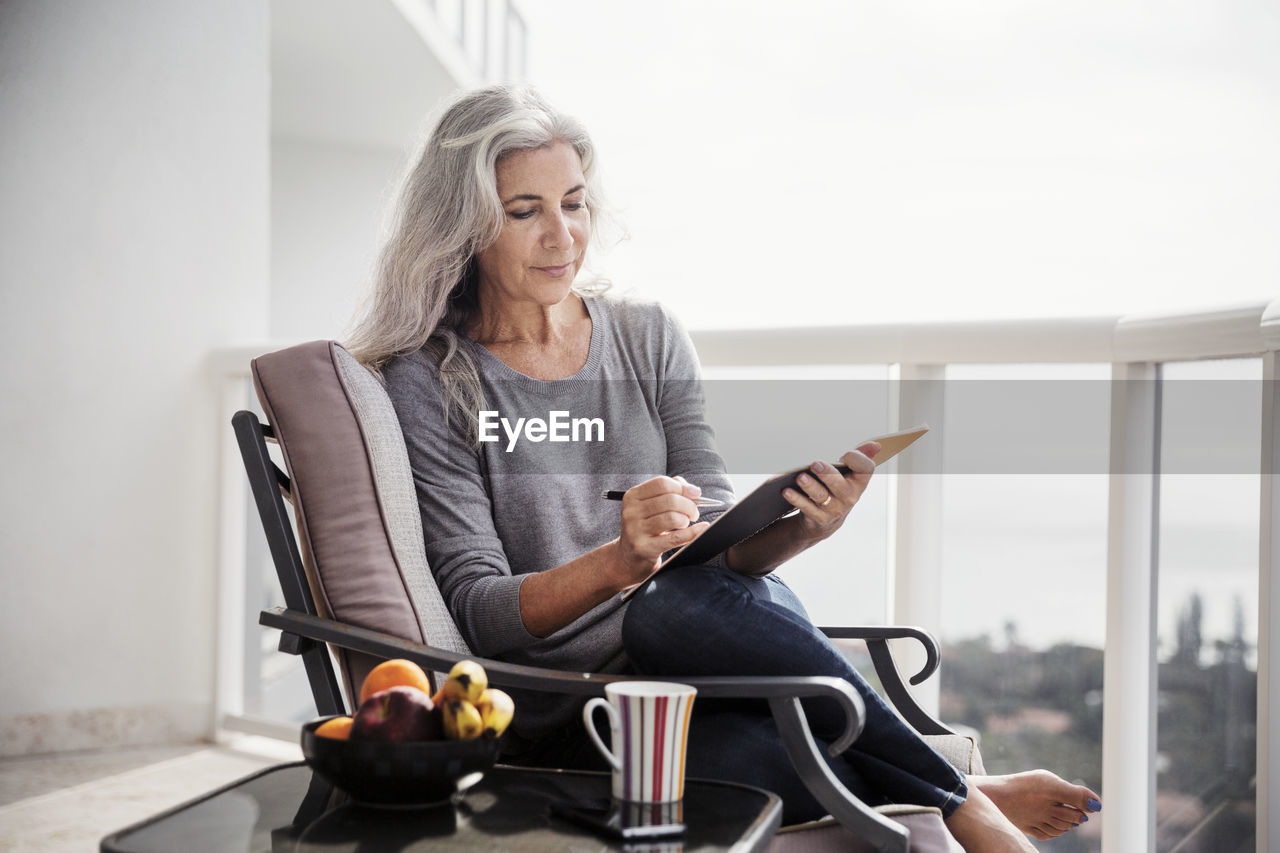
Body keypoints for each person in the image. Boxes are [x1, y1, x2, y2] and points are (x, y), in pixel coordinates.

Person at [347, 84, 1101, 851]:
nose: (562, 236)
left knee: (681, 604)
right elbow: (479, 608)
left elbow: (719, 550)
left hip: (707, 659)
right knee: (743, 729)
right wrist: (621, 560)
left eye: (573, 203)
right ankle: (961, 792)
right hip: (580, 714)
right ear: (465, 225)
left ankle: (961, 805)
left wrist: (802, 528)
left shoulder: (647, 336)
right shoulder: (435, 377)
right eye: (524, 211)